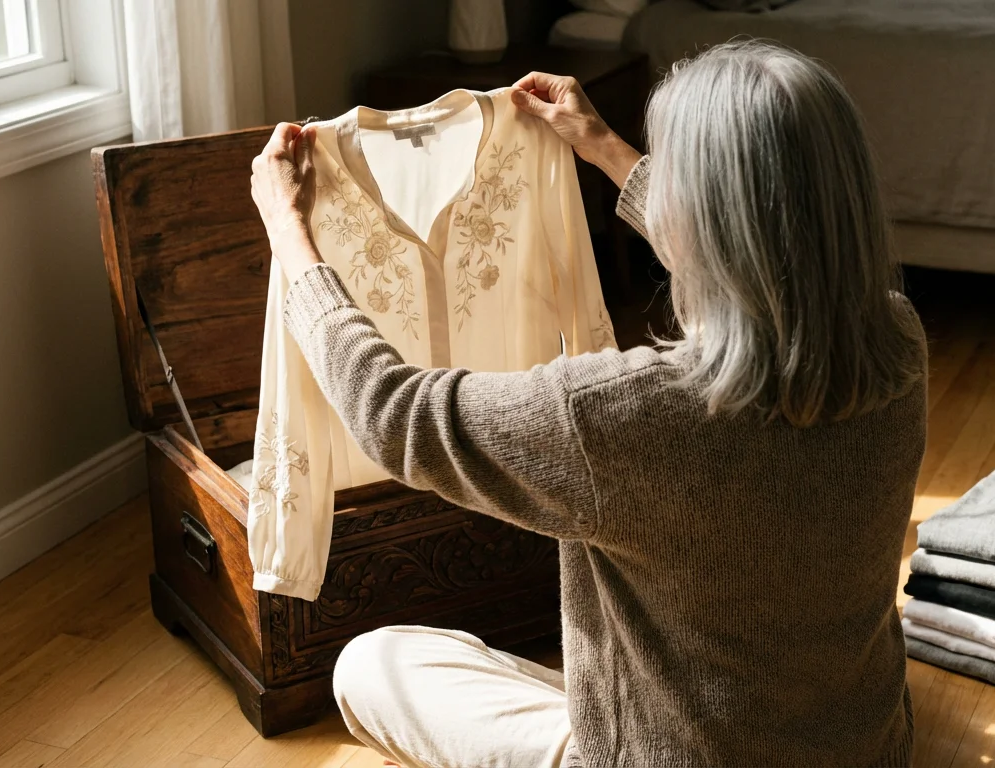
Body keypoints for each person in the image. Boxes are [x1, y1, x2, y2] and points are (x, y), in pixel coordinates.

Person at [250, 39, 927, 768]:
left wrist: (293, 239)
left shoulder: (623, 413)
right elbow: (763, 257)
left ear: (697, 209)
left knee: (370, 664)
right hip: (869, 749)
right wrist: (603, 147)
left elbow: (393, 414)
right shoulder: (895, 338)